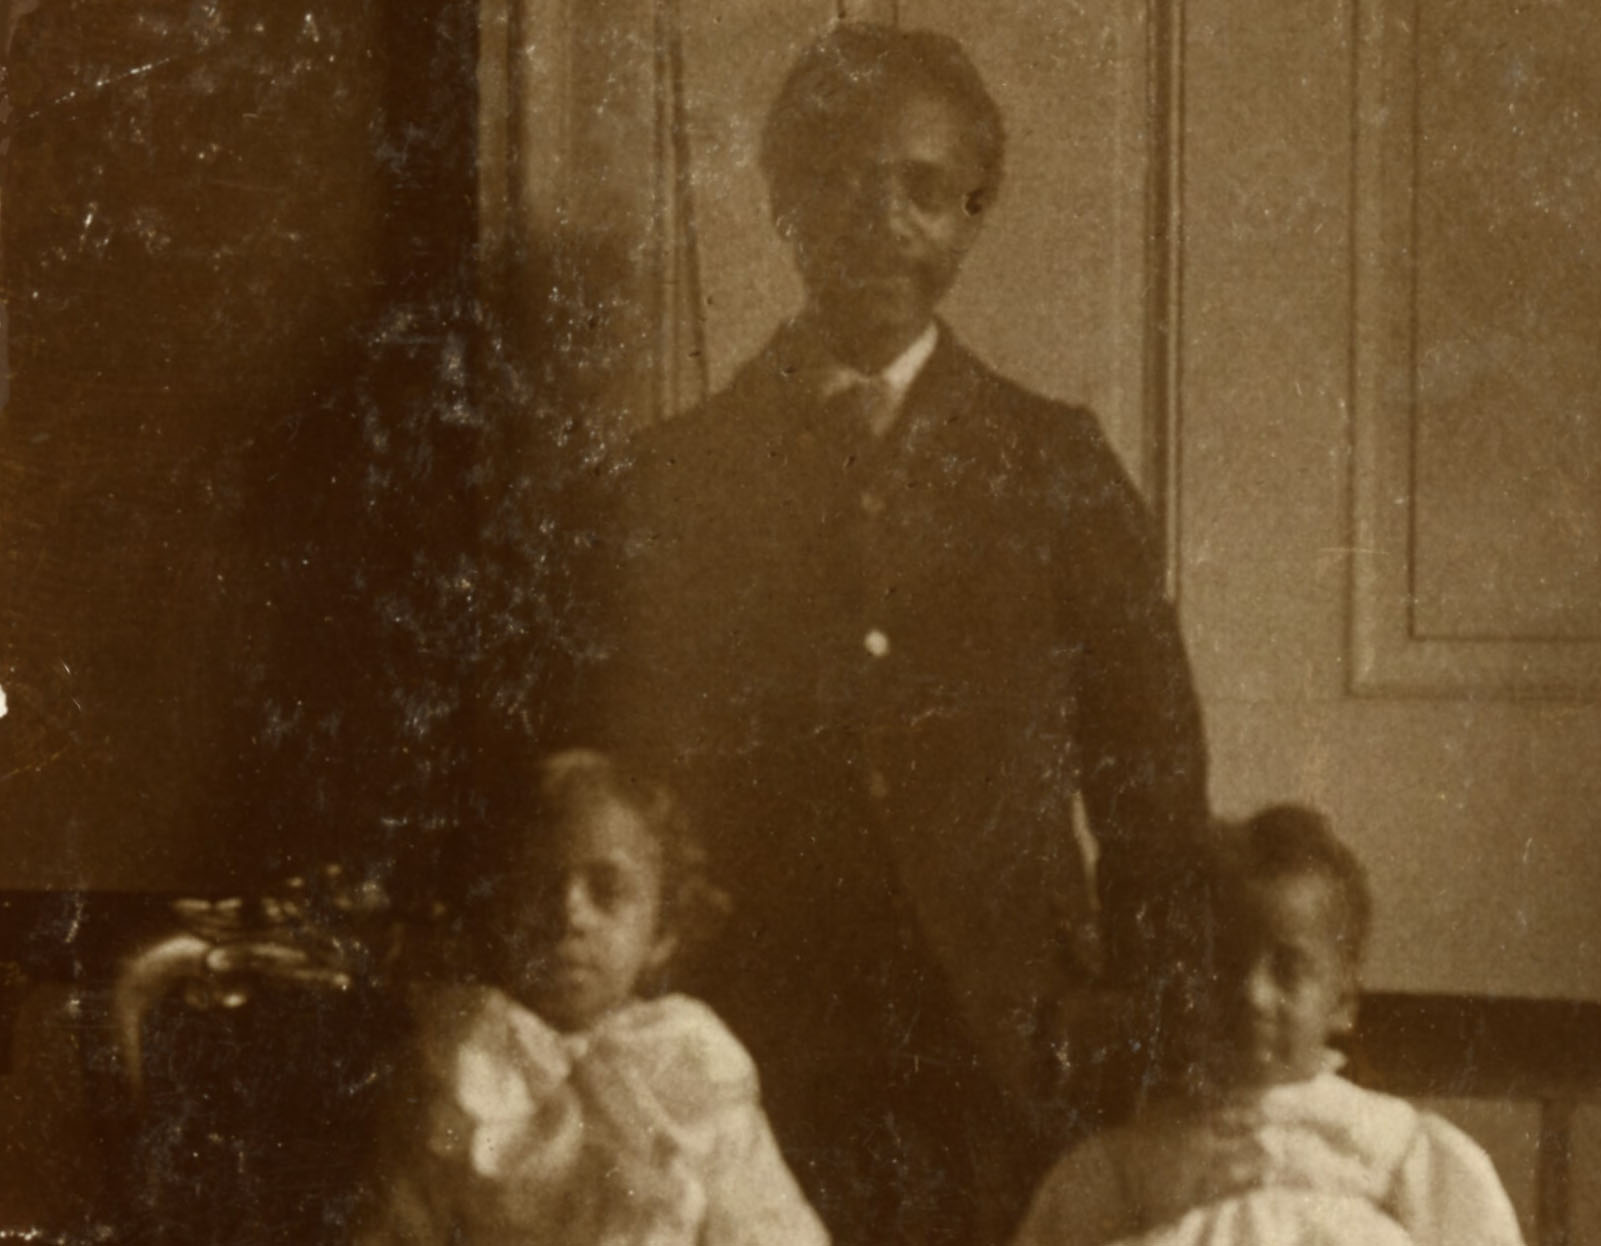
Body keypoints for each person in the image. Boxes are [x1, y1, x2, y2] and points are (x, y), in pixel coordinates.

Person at [590, 21, 1210, 1246]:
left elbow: (1152, 783)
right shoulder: (677, 481)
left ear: (973, 217)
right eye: (839, 180)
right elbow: (625, 784)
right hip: (756, 1059)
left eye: (924, 189)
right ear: (782, 202)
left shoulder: (1054, 468)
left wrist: (1146, 1036)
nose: (880, 221)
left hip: (1006, 1061)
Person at [353, 750, 828, 1246]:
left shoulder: (690, 1062)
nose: (570, 914)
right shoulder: (461, 1061)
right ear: (498, 909)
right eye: (539, 887)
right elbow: (394, 1231)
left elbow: (768, 1232)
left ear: (661, 929)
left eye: (607, 890)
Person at [1011, 805, 1526, 1246]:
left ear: (1342, 1001)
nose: (1252, 995)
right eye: (1223, 966)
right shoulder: (1132, 1165)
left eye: (1288, 970)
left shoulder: (1396, 1148)